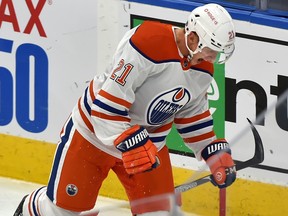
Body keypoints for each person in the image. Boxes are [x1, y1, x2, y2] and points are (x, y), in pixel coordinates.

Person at [14, 3, 236, 216]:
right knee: (61, 211)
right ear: (193, 38)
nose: (213, 58)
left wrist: (212, 152)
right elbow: (107, 105)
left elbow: (193, 116)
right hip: (93, 135)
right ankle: (32, 206)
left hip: (148, 149)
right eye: (211, 50)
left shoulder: (203, 68)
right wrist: (131, 141)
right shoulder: (149, 41)